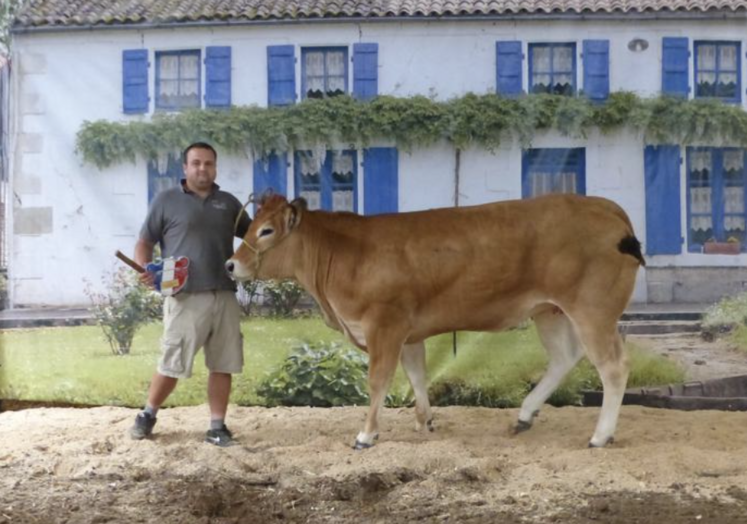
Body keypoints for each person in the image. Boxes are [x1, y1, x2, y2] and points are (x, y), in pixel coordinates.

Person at [129, 142, 251, 447]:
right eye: (196, 163)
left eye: (208, 164)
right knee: (172, 363)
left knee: (223, 364)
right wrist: (145, 269)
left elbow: (254, 237)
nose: (202, 169)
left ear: (215, 168)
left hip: (224, 293)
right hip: (184, 296)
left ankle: (217, 427)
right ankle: (147, 415)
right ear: (185, 168)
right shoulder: (166, 200)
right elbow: (144, 242)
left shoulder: (229, 203)